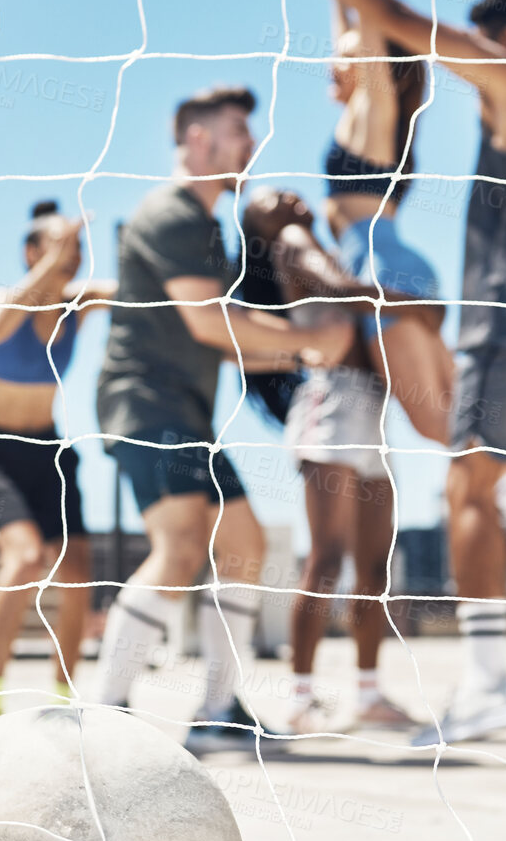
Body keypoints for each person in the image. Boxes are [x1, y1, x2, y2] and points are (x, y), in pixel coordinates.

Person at [251, 0, 506, 749]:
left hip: (441, 287)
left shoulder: (497, 85)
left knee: (462, 470)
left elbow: (387, 21)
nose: (336, 59)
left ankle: (488, 687)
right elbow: (367, 26)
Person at [94, 86, 353, 757]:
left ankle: (216, 709)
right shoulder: (172, 212)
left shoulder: (207, 228)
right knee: (180, 548)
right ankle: (104, 713)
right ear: (197, 138)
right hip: (144, 402)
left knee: (242, 541)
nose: (251, 143)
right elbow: (210, 323)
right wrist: (308, 342)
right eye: (240, 129)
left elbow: (226, 312)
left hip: (184, 411)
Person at [241, 187, 413, 734]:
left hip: (368, 410)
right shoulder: (293, 240)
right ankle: (300, 699)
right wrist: (417, 306)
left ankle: (365, 694)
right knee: (329, 558)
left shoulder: (325, 241)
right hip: (333, 402)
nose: (287, 197)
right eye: (270, 200)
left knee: (372, 567)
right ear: (260, 224)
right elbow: (343, 291)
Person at [307, 0, 452, 444]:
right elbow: (347, 18)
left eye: (347, 54)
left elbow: (366, 14)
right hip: (385, 266)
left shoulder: (376, 115)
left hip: (382, 273)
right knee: (451, 420)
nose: (332, 59)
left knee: (439, 423)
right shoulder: (360, 122)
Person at [0, 202, 113, 723]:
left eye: (76, 247)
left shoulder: (80, 305)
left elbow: (137, 289)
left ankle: (62, 697)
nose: (72, 255)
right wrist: (55, 257)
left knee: (77, 573)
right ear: (33, 252)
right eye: (58, 244)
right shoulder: (7, 302)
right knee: (26, 561)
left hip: (50, 452)